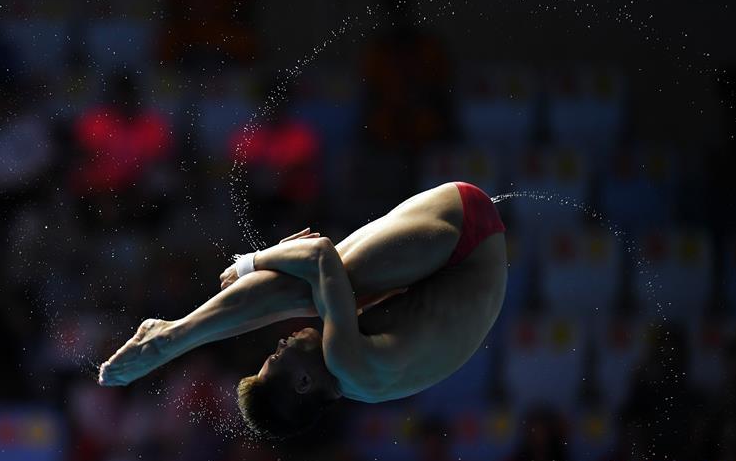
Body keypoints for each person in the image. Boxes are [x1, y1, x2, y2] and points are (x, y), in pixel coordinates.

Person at [98, 181, 507, 439]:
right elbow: (318, 252)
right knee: (308, 287)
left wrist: (289, 260)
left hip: (461, 254)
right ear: (303, 383)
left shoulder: (360, 382)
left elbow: (316, 262)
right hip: (467, 235)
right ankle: (172, 338)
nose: (280, 343)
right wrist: (254, 261)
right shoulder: (348, 361)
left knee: (315, 291)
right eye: (277, 357)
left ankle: (176, 336)